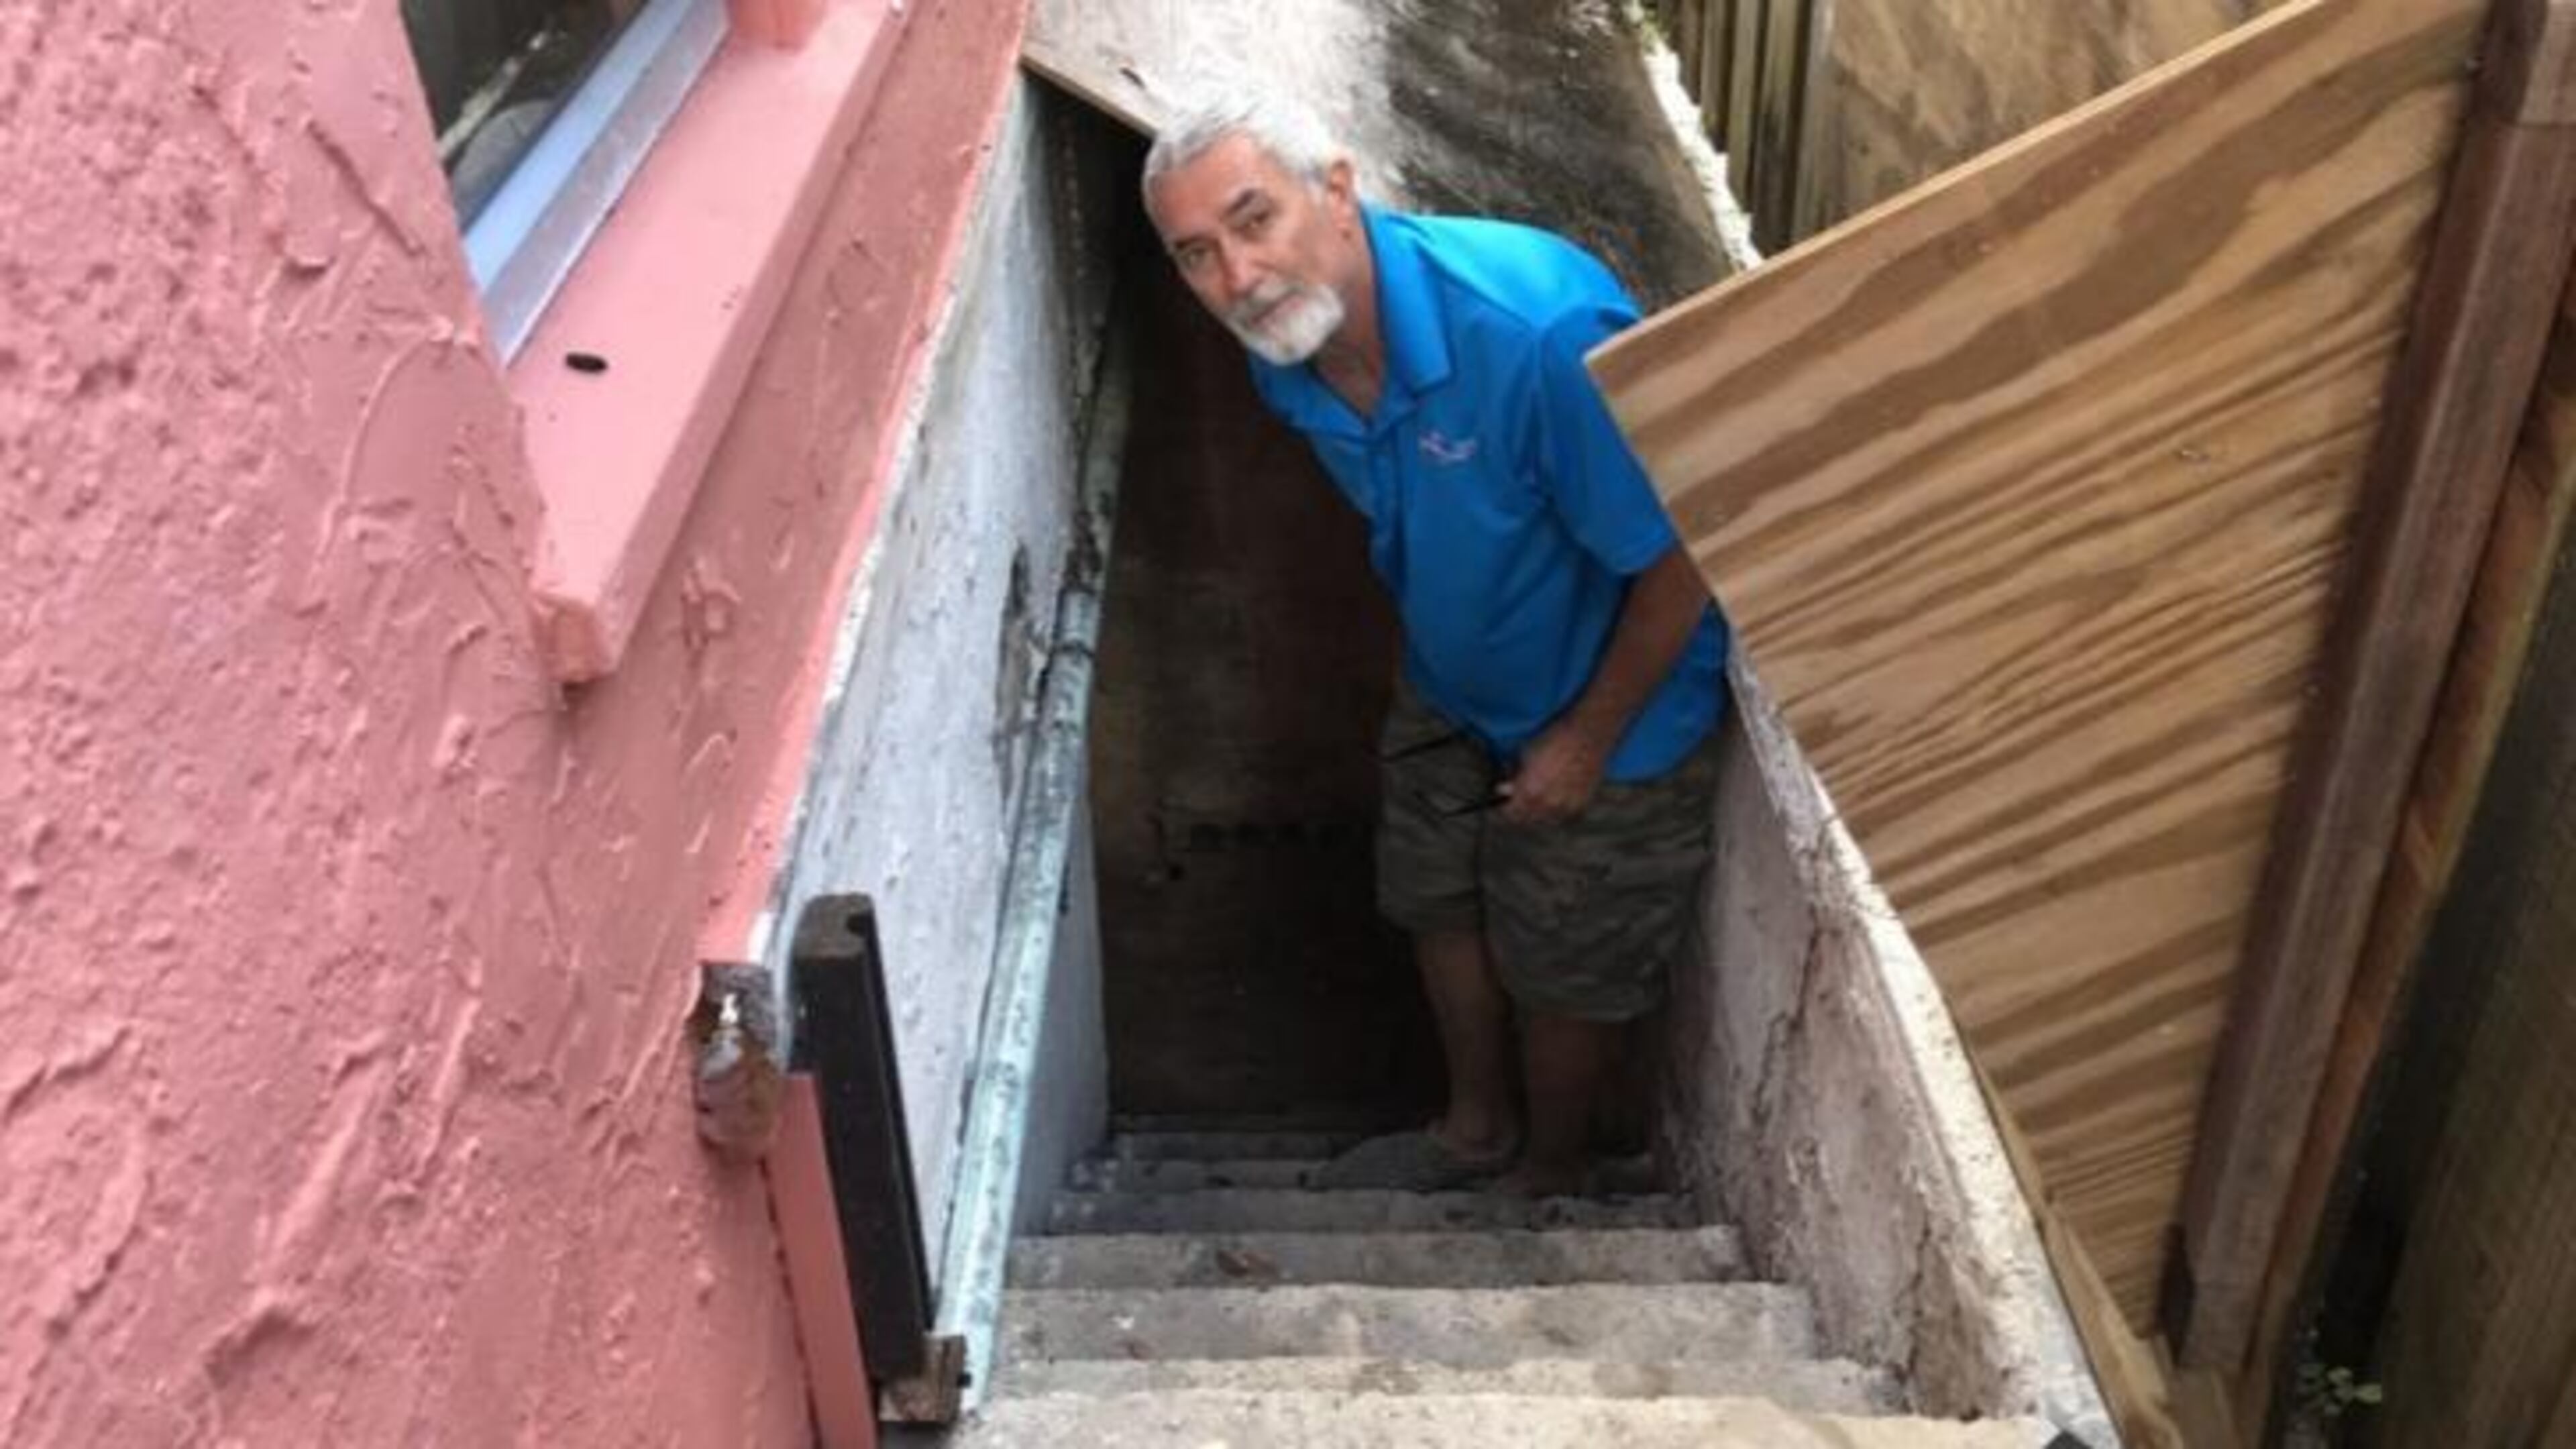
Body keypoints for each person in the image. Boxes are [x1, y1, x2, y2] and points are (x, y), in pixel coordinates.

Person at [1140, 92, 1729, 1198]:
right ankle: (1474, 1131)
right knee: (1432, 899)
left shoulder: (1533, 334)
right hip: (1455, 680)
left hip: (1614, 712)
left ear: (1342, 192)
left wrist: (1586, 742)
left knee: (1565, 968)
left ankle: (1550, 1176)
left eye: (1255, 221)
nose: (1235, 277)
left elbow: (1685, 553)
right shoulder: (1290, 348)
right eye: (1196, 255)